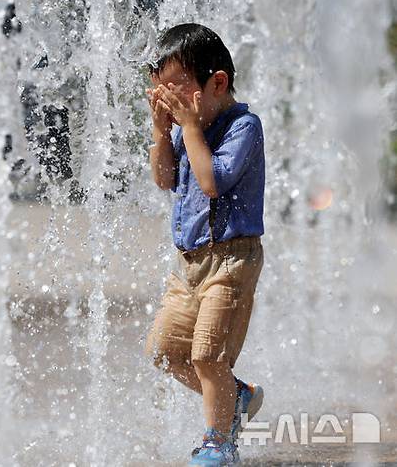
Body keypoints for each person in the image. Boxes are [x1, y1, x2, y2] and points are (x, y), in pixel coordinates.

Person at [143, 23, 266, 466]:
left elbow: (211, 182)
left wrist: (188, 127)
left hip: (232, 260)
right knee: (164, 352)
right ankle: (238, 397)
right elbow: (165, 179)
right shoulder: (182, 128)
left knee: (207, 355)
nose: (170, 102)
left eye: (177, 90)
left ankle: (219, 442)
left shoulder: (243, 127)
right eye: (162, 92)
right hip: (190, 263)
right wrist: (162, 133)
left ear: (217, 83)